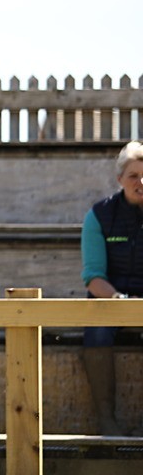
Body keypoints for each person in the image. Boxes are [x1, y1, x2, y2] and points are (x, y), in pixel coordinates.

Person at [79, 140, 143, 435]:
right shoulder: (99, 215)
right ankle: (106, 420)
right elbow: (93, 277)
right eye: (133, 176)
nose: (141, 182)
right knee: (97, 330)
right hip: (111, 297)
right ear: (120, 179)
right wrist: (120, 300)